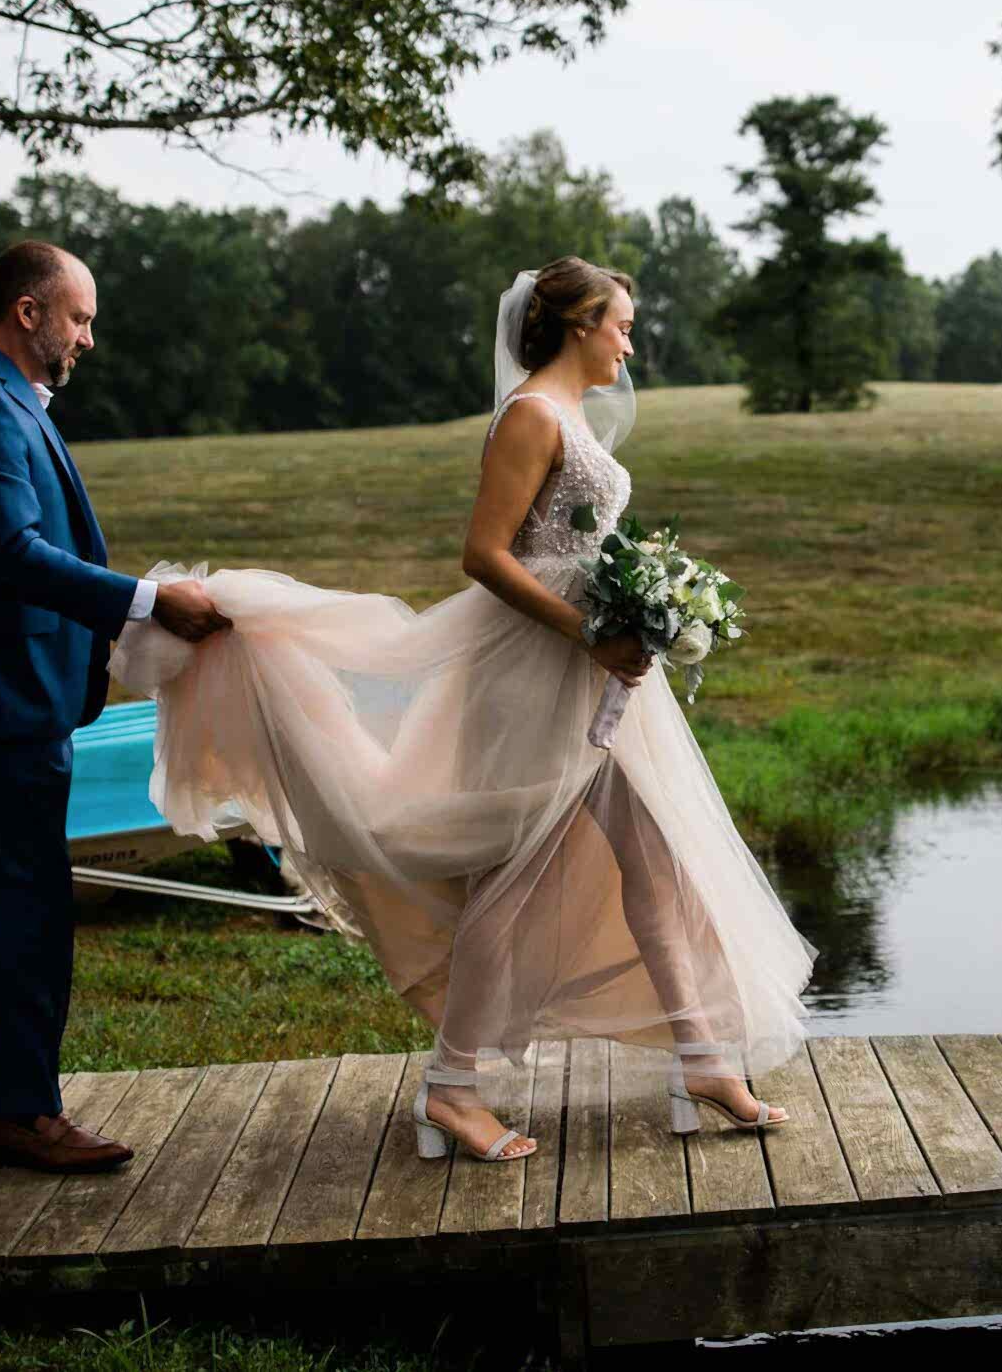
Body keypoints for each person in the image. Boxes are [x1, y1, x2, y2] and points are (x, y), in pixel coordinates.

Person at [112, 258, 813, 1163]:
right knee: (511, 881)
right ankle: (451, 1087)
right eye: (622, 325)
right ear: (577, 326)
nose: (631, 343)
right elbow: (484, 554)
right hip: (536, 676)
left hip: (595, 677)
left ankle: (705, 1059)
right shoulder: (529, 417)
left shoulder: (568, 419)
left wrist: (639, 607)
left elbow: (578, 544)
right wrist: (586, 630)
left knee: (657, 861)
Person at [0, 240, 231, 1173]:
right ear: (27, 312)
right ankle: (27, 1115)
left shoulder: (0, 401)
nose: (88, 338)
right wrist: (150, 603)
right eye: (79, 318)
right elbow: (10, 554)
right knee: (31, 896)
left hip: (8, 690)